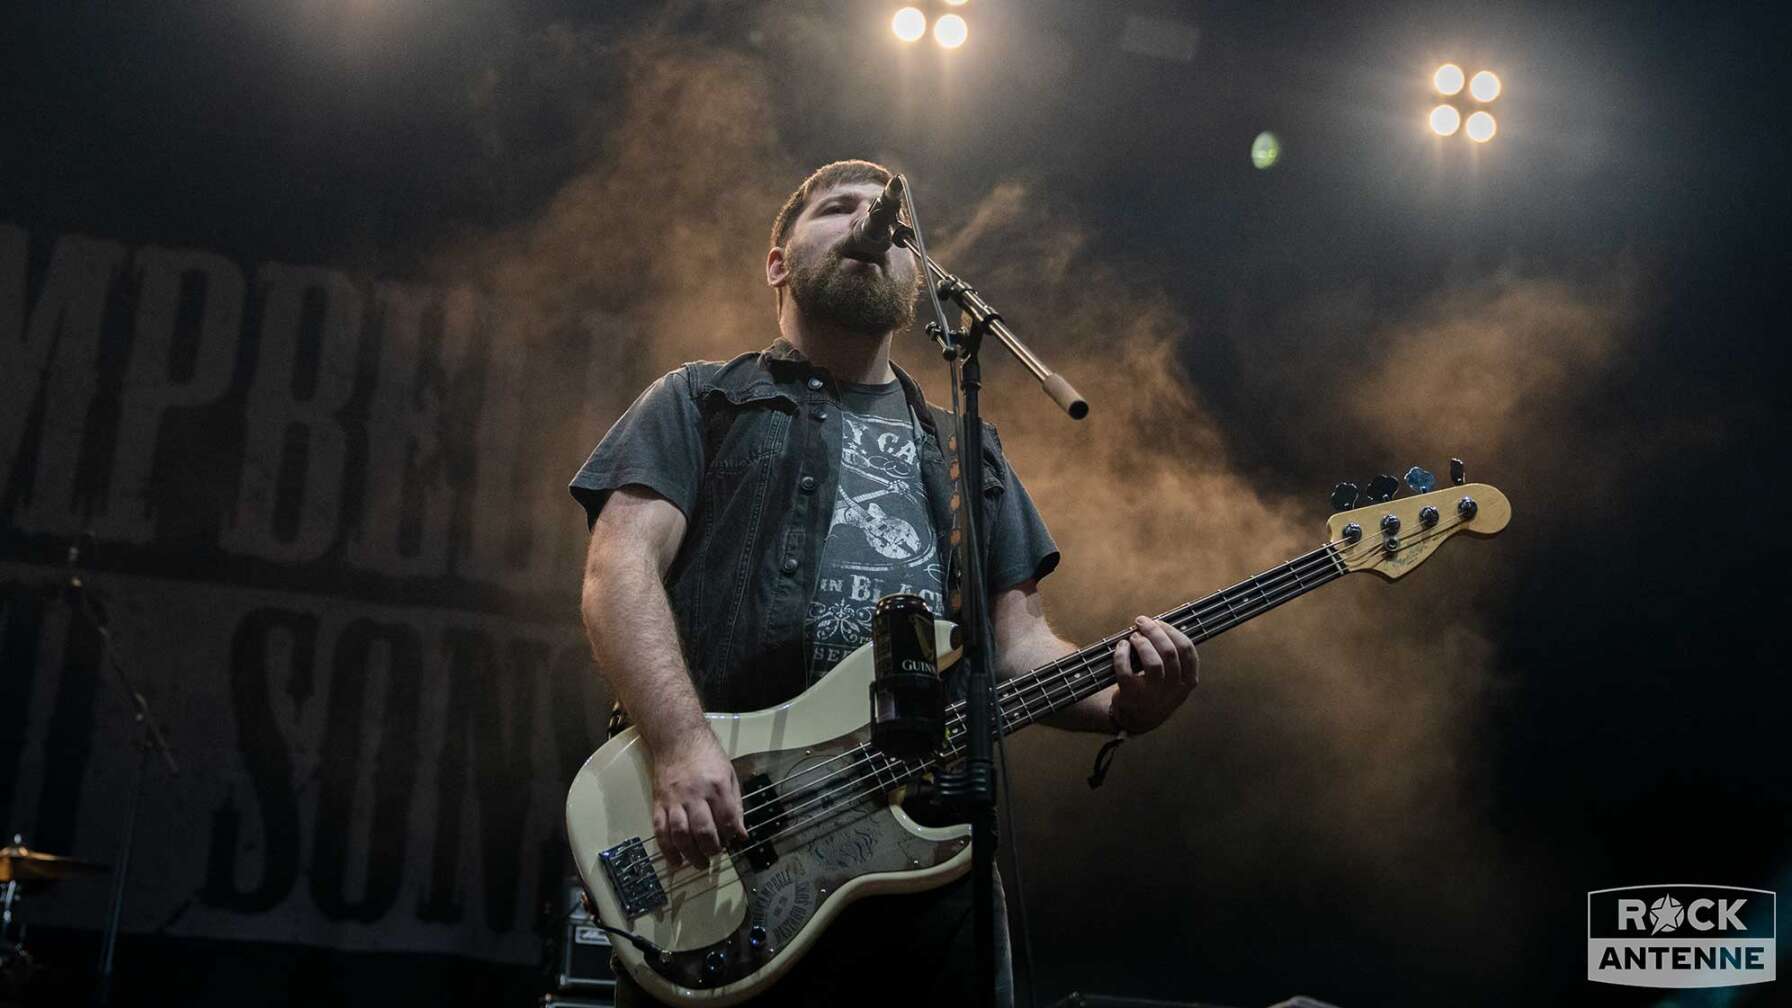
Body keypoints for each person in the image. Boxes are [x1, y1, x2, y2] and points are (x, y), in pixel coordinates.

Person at [570, 160, 1198, 1006]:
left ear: (920, 279)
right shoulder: (700, 400)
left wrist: (1123, 703)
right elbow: (618, 571)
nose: (871, 221)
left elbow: (1019, 646)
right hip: (723, 839)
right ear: (777, 262)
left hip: (922, 864)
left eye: (889, 218)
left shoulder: (964, 448)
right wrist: (682, 745)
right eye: (837, 208)